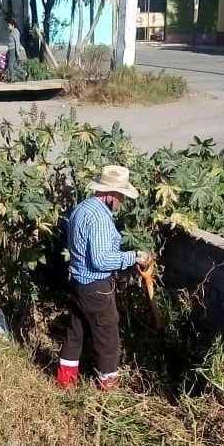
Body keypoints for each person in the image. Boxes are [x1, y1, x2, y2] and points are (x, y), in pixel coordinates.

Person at [56, 165, 153, 391]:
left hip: (78, 282)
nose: (121, 201)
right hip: (96, 287)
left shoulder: (82, 208)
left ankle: (64, 382)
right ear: (110, 194)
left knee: (75, 333)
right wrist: (133, 256)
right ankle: (108, 391)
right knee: (108, 339)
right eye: (121, 196)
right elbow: (101, 260)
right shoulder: (100, 219)